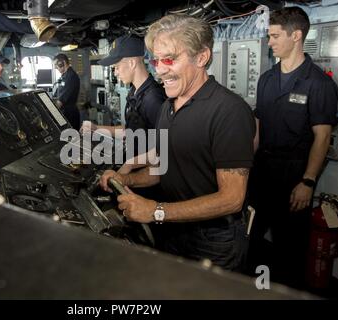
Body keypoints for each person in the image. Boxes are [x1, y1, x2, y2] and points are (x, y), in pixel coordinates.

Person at [100, 14, 256, 272]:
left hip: (214, 241)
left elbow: (232, 198)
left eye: (170, 59)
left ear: (201, 57)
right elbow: (164, 167)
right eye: (156, 60)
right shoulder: (168, 108)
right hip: (175, 230)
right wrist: (125, 179)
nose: (160, 69)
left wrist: (156, 211)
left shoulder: (229, 111)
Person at [248, 7, 338, 288]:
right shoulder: (266, 78)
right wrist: (246, 167)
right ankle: (252, 290)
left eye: (275, 36)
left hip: (294, 176)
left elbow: (322, 137)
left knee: (289, 248)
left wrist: (308, 182)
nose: (270, 42)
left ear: (296, 36)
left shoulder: (319, 83)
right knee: (251, 239)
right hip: (262, 172)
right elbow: (258, 128)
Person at [81, 35, 166, 161]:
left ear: (132, 63)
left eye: (116, 67)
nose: (115, 73)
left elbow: (163, 152)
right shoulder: (134, 92)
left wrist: (128, 171)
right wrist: (96, 128)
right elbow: (129, 132)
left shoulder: (153, 99)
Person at [53, 53, 81, 129]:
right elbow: (57, 95)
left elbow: (60, 102)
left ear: (63, 63)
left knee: (70, 138)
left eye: (56, 64)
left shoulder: (70, 77)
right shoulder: (64, 76)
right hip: (65, 112)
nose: (55, 67)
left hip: (69, 114)